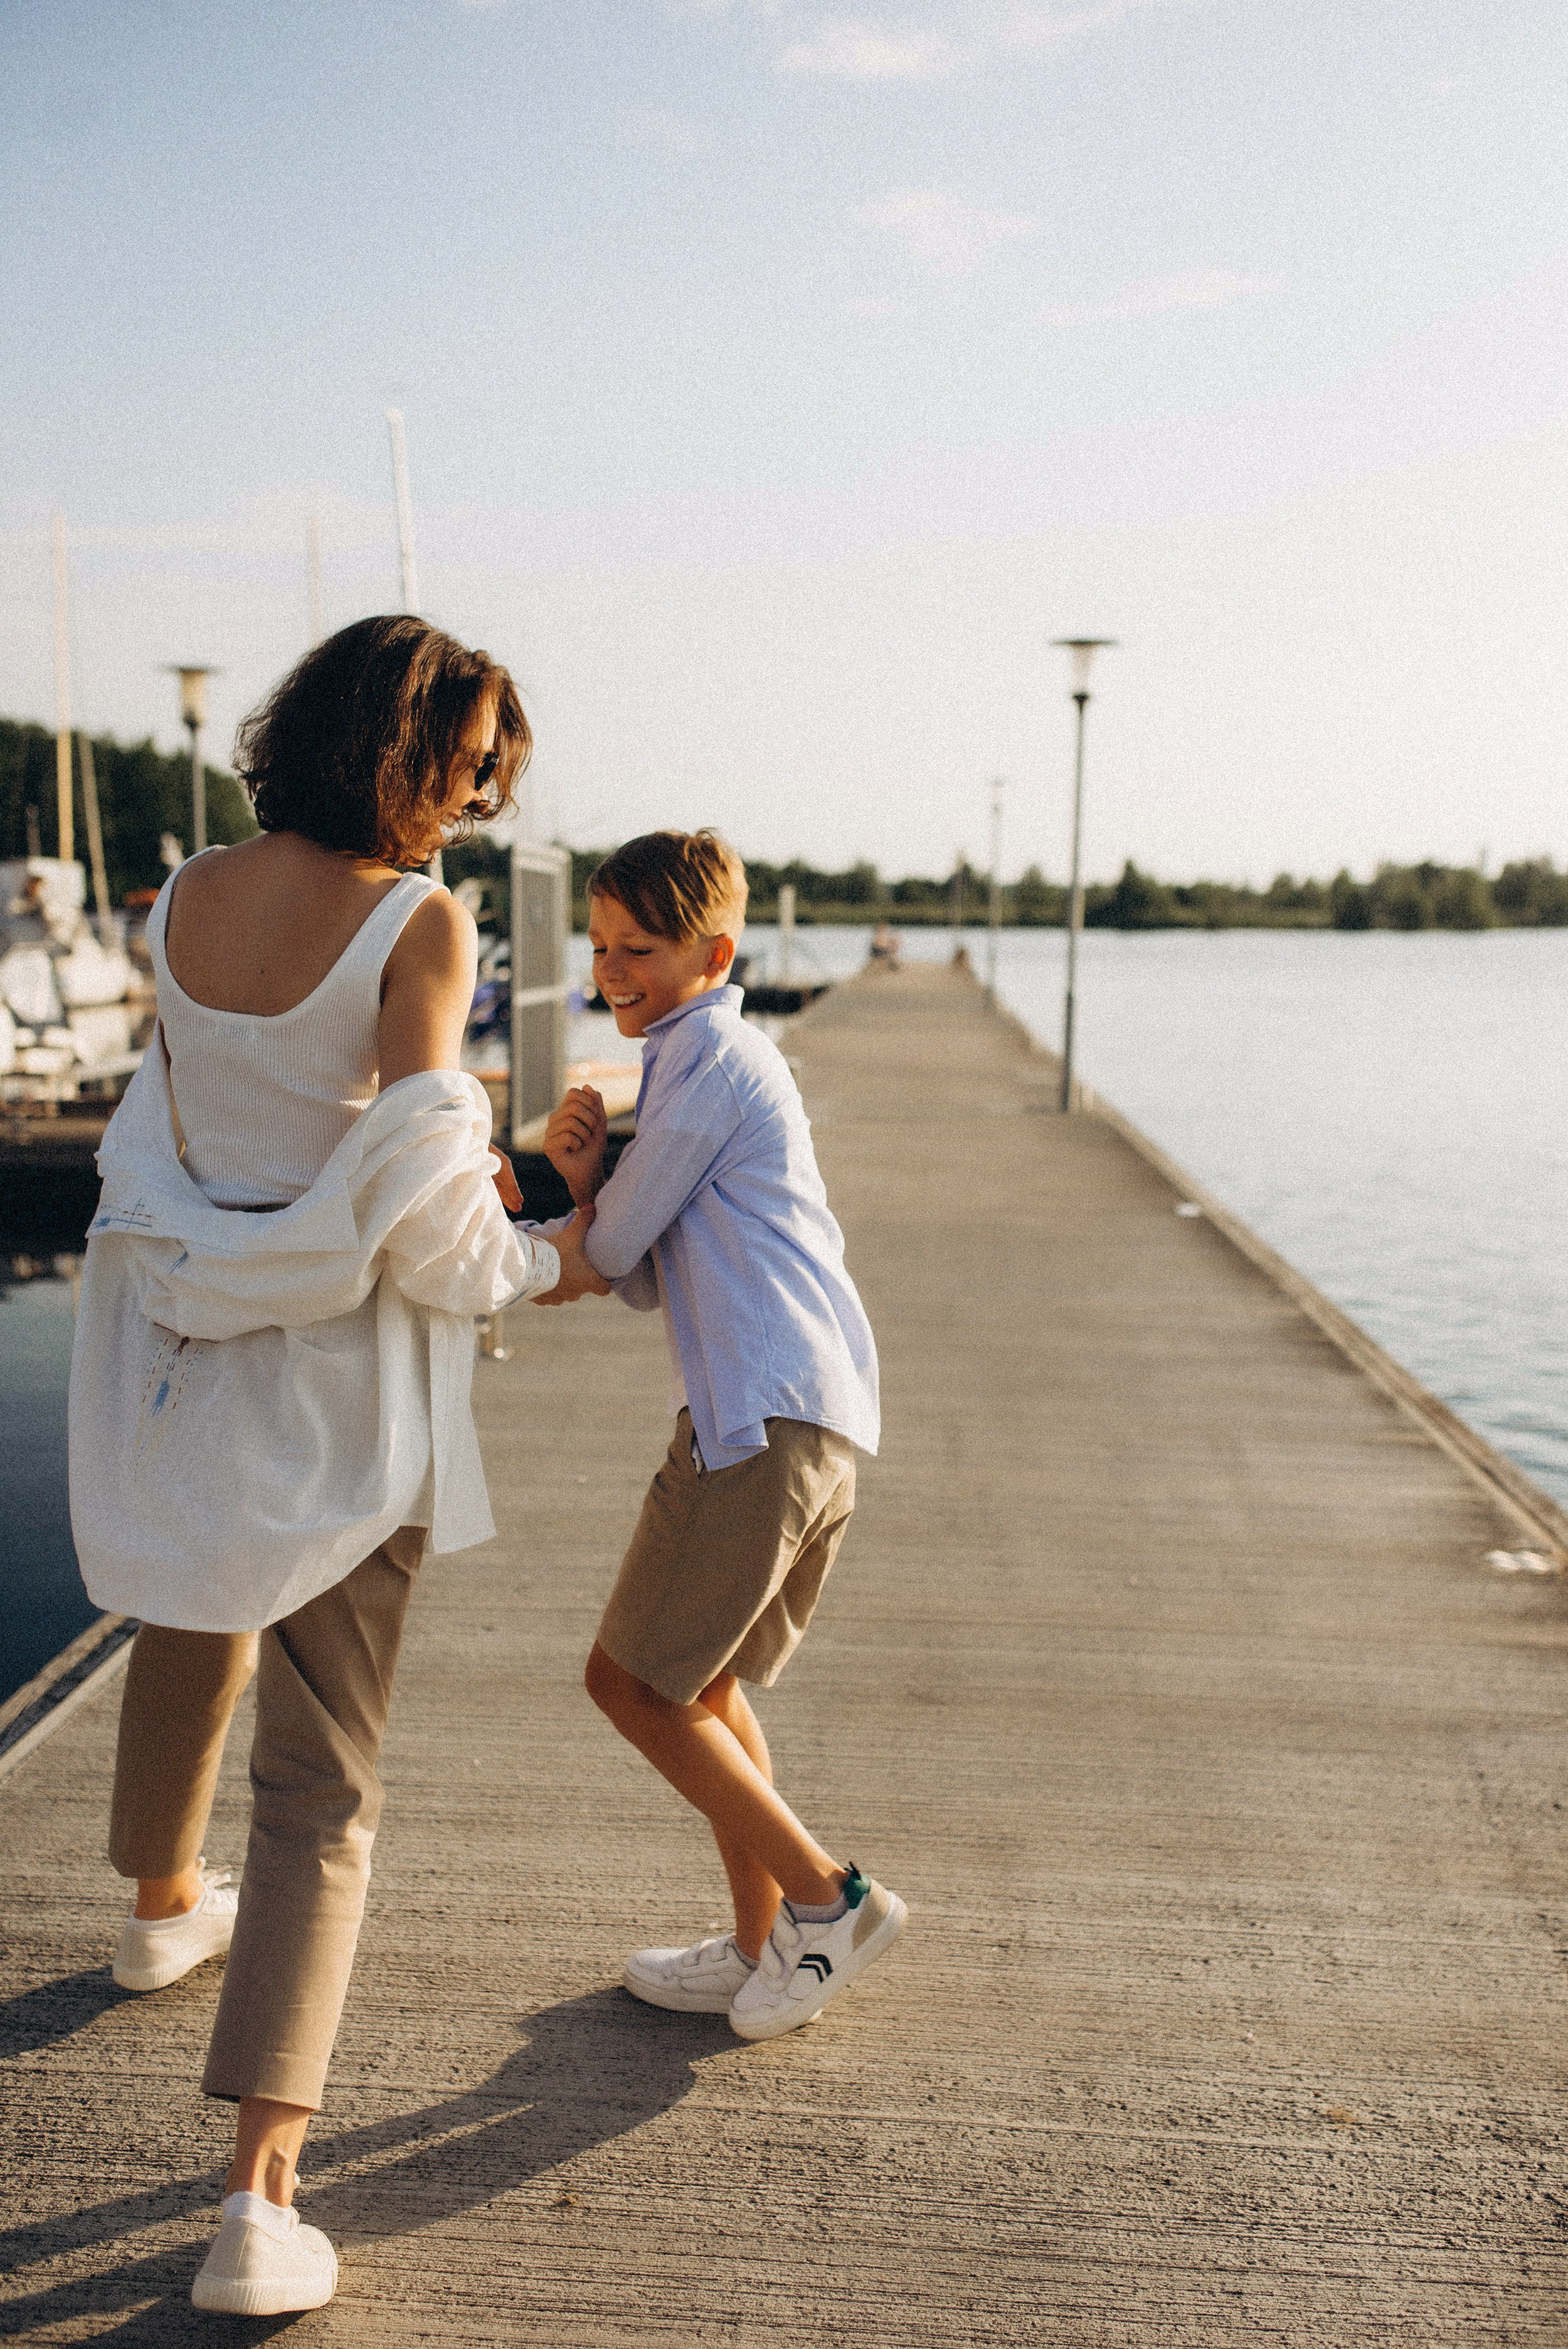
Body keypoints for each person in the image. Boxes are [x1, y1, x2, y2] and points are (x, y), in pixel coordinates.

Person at [68, 615, 609, 2318]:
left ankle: (159, 1904)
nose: (475, 793)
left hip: (188, 1343)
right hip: (335, 1390)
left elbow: (220, 1127)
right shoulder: (417, 921)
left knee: (186, 1607)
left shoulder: (187, 897)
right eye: (468, 763)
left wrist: (498, 1168)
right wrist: (556, 1244)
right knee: (322, 1790)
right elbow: (426, 1207)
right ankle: (257, 2200)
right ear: (410, 754)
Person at [541, 829, 906, 2044]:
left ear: (714, 951)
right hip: (800, 1416)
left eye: (636, 948)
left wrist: (561, 1196)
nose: (611, 970)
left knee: (631, 1683)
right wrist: (595, 1187)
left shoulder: (711, 1071)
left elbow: (597, 1261)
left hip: (756, 1420)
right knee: (699, 1681)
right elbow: (642, 1271)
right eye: (597, 948)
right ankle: (762, 1940)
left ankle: (827, 1901)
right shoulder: (701, 1065)